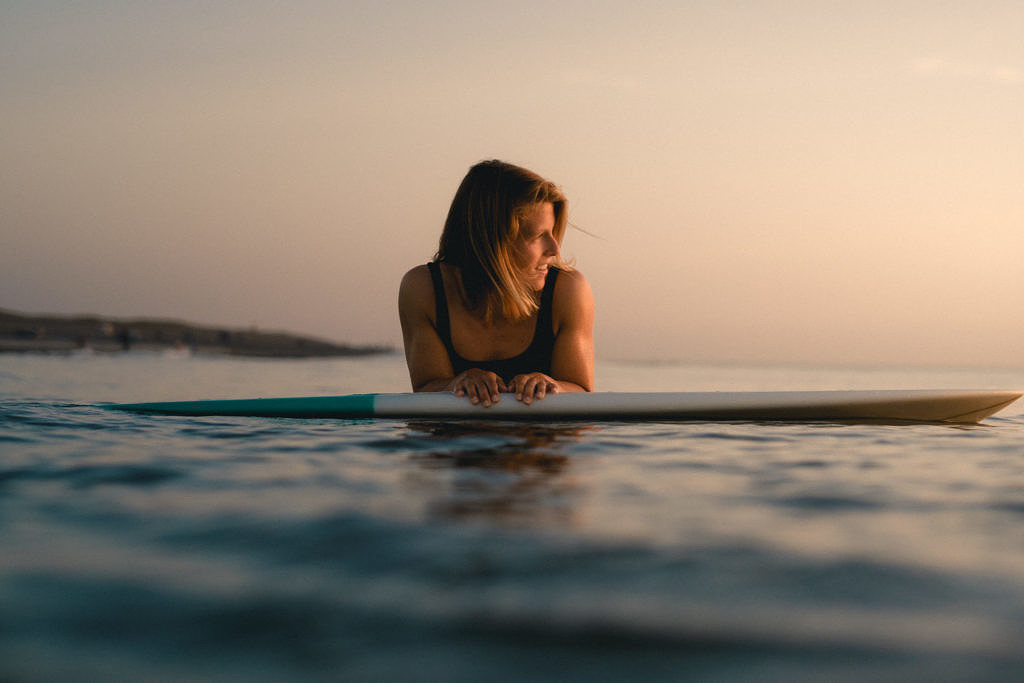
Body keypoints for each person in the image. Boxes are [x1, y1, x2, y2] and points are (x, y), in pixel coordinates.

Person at [399, 160, 594, 407]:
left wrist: (553, 386)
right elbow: (426, 388)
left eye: (553, 233)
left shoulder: (568, 290)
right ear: (492, 241)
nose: (554, 250)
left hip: (543, 444)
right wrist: (456, 384)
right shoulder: (423, 289)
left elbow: (583, 392)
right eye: (538, 237)